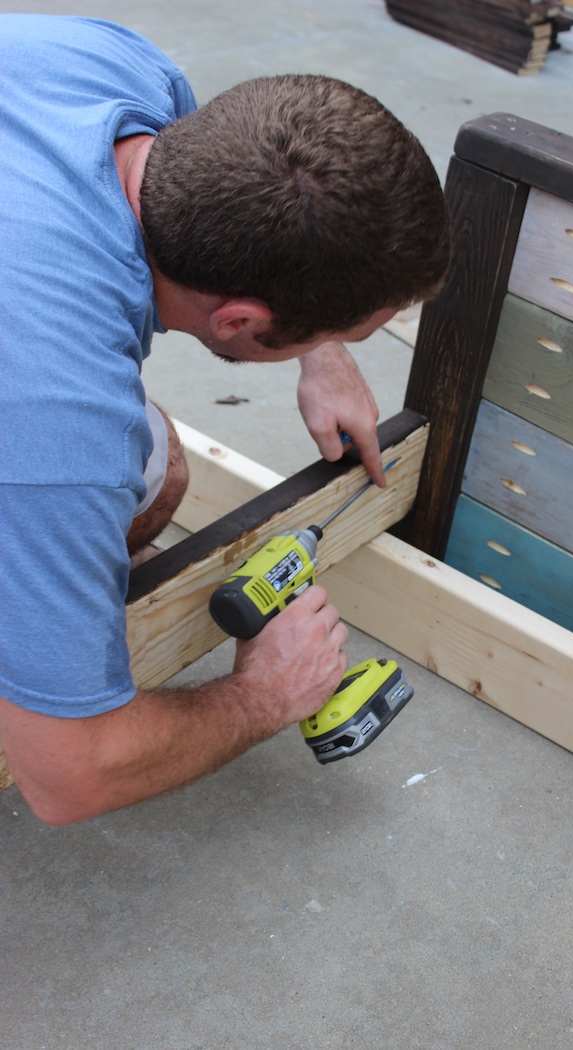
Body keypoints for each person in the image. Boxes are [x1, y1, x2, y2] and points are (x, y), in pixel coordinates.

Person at [0, 14, 450, 825]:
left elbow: (250, 190)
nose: (344, 349)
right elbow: (71, 780)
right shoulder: (58, 427)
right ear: (239, 322)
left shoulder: (106, 64)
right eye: (344, 333)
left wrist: (322, 353)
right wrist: (262, 694)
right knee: (143, 476)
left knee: (141, 465)